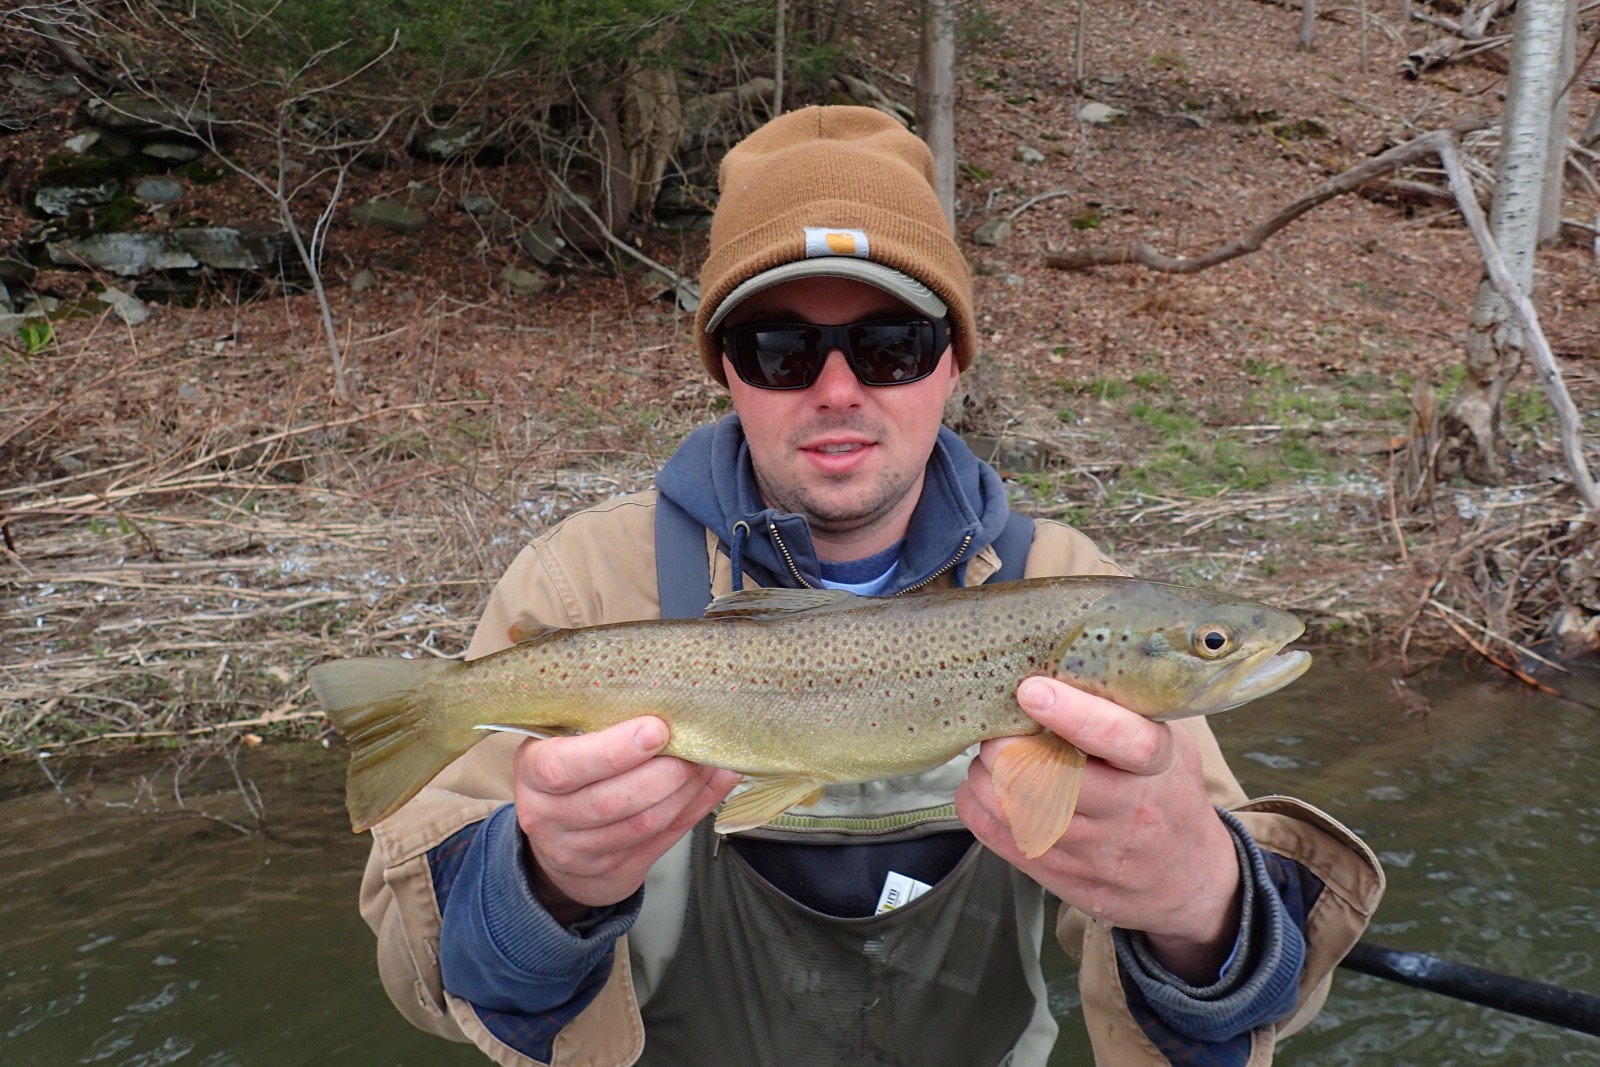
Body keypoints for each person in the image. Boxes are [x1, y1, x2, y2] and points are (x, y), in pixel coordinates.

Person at [357, 105, 1383, 1066]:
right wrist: (543, 883)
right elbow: (428, 980)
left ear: (952, 362)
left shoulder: (1072, 583)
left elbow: (1256, 1009)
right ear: (724, 367)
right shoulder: (580, 585)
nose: (837, 388)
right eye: (781, 348)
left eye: (892, 344)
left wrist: (1201, 905)